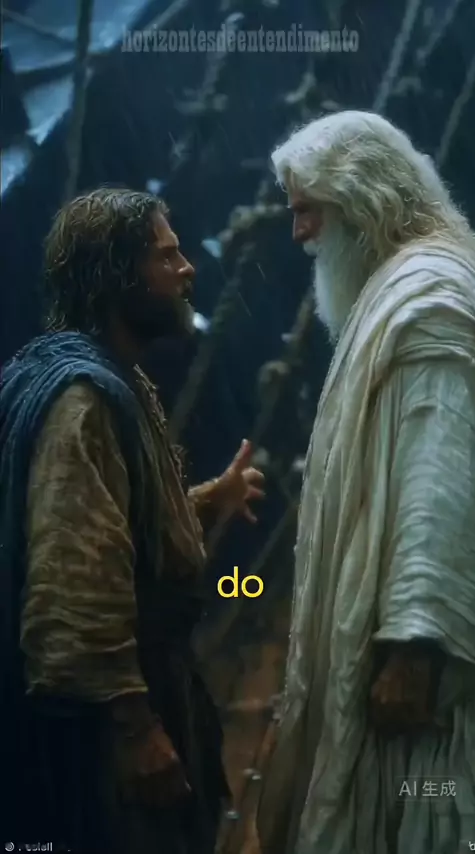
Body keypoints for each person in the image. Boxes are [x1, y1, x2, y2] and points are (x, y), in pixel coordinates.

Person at [0, 188, 265, 853]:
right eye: (166, 256)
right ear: (118, 276)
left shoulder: (102, 377)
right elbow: (73, 585)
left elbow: (116, 529)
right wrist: (135, 728)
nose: (187, 269)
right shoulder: (82, 401)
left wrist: (206, 500)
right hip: (110, 730)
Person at [256, 111, 475, 853]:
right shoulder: (402, 288)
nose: (299, 234)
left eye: (307, 211)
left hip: (419, 669)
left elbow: (440, 474)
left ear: (360, 196)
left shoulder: (431, 293)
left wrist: (416, 645)